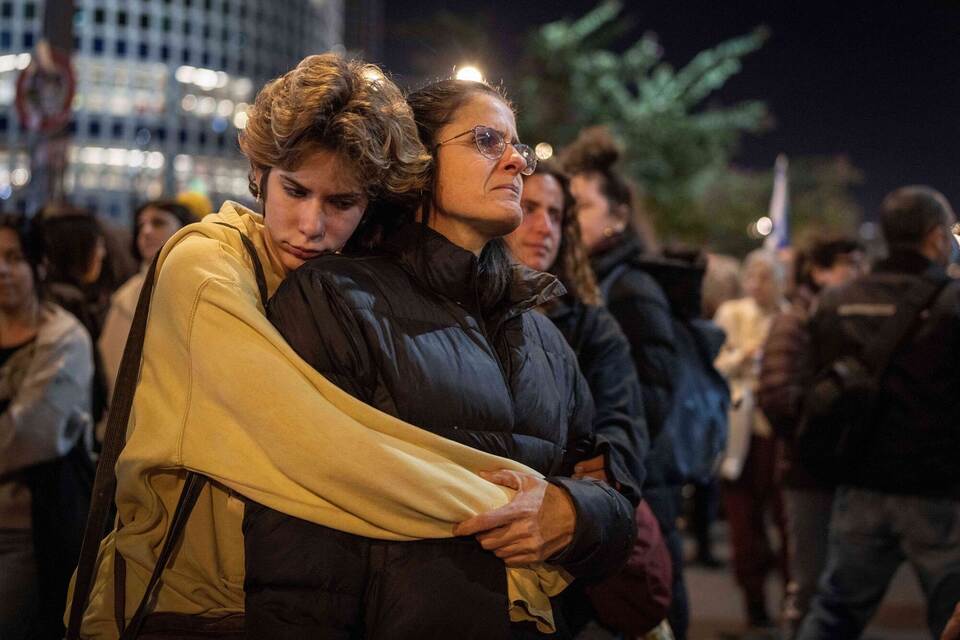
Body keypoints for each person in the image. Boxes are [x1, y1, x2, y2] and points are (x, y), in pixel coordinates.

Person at [70, 54, 579, 638]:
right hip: (182, 600)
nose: (312, 225)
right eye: (295, 190)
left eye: (342, 204)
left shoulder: (347, 284)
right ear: (258, 170)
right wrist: (526, 513)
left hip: (263, 598)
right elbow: (319, 446)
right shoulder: (208, 265)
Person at [246, 78, 636, 639]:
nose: (516, 165)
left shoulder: (545, 339)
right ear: (419, 160)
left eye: (517, 149)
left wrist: (574, 515)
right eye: (484, 141)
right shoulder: (338, 298)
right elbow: (298, 538)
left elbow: (609, 490)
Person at [562, 125, 722, 640]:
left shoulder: (631, 287)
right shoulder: (589, 282)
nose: (566, 218)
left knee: (652, 599)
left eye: (581, 206)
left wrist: (611, 451)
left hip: (643, 480)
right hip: (625, 476)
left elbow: (652, 395)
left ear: (619, 216)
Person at [797, 186, 960, 639]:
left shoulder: (836, 302)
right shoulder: (952, 302)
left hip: (860, 483)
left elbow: (812, 387)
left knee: (834, 614)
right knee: (950, 618)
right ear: (933, 237)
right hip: (936, 492)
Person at [503, 162, 657, 635]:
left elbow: (622, 432)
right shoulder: (462, 309)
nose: (543, 226)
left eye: (556, 213)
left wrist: (580, 493)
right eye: (529, 208)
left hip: (572, 558)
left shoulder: (591, 326)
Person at [757, 234, 864, 638]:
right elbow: (777, 394)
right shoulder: (797, 319)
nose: (856, 274)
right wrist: (814, 435)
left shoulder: (844, 316)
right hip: (807, 469)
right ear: (817, 272)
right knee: (808, 584)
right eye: (846, 265)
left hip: (841, 467)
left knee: (838, 585)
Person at [0, 214, 94, 640]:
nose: (2, 268)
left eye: (14, 257)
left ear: (38, 266)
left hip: (26, 528)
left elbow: (32, 433)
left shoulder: (63, 339)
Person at [713, 249, 790, 630]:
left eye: (767, 278)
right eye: (753, 277)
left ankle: (794, 605)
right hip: (740, 432)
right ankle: (755, 607)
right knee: (744, 526)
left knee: (788, 522)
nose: (758, 285)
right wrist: (744, 355)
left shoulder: (791, 316)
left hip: (779, 435)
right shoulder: (732, 314)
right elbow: (715, 363)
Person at [98, 200, 195, 399]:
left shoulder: (202, 287)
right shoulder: (128, 297)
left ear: (185, 230)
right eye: (141, 225)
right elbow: (115, 371)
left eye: (158, 223)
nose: (147, 232)